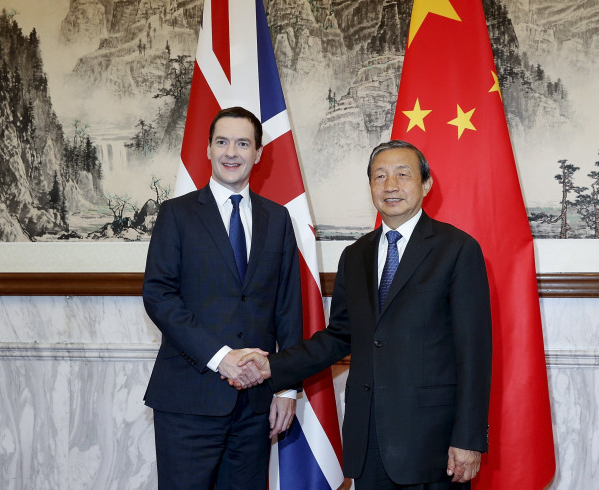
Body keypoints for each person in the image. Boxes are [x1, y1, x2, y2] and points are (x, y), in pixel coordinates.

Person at [236, 140, 493, 489]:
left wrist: (468, 438)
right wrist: (273, 366)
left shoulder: (458, 250)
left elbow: (473, 354)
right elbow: (339, 335)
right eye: (380, 176)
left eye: (403, 175)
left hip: (432, 442)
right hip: (368, 437)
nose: (391, 186)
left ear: (426, 184)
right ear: (370, 186)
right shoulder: (355, 255)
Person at [142, 106, 303, 490]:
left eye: (243, 143)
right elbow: (159, 295)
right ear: (208, 150)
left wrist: (286, 386)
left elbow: (287, 306)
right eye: (223, 142)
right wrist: (222, 358)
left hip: (255, 406)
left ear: (258, 153)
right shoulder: (176, 214)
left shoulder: (277, 219)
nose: (232, 152)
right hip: (187, 403)